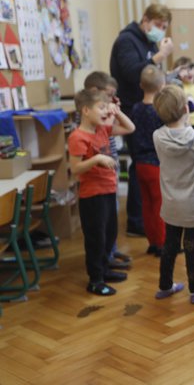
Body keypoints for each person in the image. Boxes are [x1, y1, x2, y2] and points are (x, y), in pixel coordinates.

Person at [110, 3, 174, 237]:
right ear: (145, 19)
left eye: (164, 27)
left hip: (144, 106)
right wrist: (160, 56)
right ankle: (137, 222)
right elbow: (132, 73)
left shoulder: (147, 41)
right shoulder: (126, 40)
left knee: (143, 167)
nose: (160, 30)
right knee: (140, 166)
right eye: (158, 25)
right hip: (132, 109)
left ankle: (144, 221)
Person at [68, 88, 135, 296]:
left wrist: (116, 112)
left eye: (106, 106)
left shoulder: (102, 129)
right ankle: (95, 280)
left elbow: (130, 127)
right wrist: (97, 159)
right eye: (102, 107)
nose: (105, 111)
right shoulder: (78, 137)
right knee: (96, 238)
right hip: (92, 197)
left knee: (109, 234)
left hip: (108, 191)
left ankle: (105, 269)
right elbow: (76, 169)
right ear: (86, 110)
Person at [152, 85, 194, 304]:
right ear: (187, 108)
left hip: (170, 201)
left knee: (170, 243)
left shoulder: (157, 137)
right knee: (192, 245)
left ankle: (165, 285)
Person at [83, 71, 132, 269]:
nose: (112, 100)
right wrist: (111, 112)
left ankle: (110, 249)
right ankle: (105, 256)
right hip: (98, 179)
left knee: (112, 216)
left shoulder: (102, 115)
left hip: (109, 172)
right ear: (95, 92)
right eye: (109, 95)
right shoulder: (91, 118)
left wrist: (115, 111)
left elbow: (127, 127)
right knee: (102, 221)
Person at [131, 66, 166, 256]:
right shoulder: (159, 110)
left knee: (146, 204)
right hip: (156, 164)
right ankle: (162, 244)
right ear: (162, 86)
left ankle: (152, 241)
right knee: (160, 204)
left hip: (140, 163)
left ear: (140, 85)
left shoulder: (136, 108)